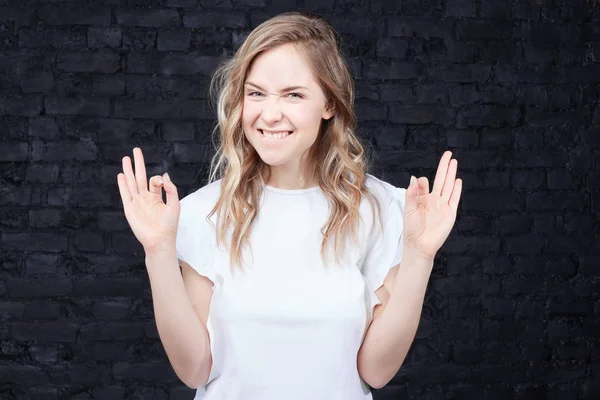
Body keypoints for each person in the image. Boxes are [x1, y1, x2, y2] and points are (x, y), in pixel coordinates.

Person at [116, 11, 462, 400]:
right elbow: (195, 367)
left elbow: (376, 372)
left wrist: (420, 255)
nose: (269, 113)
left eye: (293, 94)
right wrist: (158, 251)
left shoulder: (379, 208)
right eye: (256, 93)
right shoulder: (204, 211)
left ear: (329, 103)